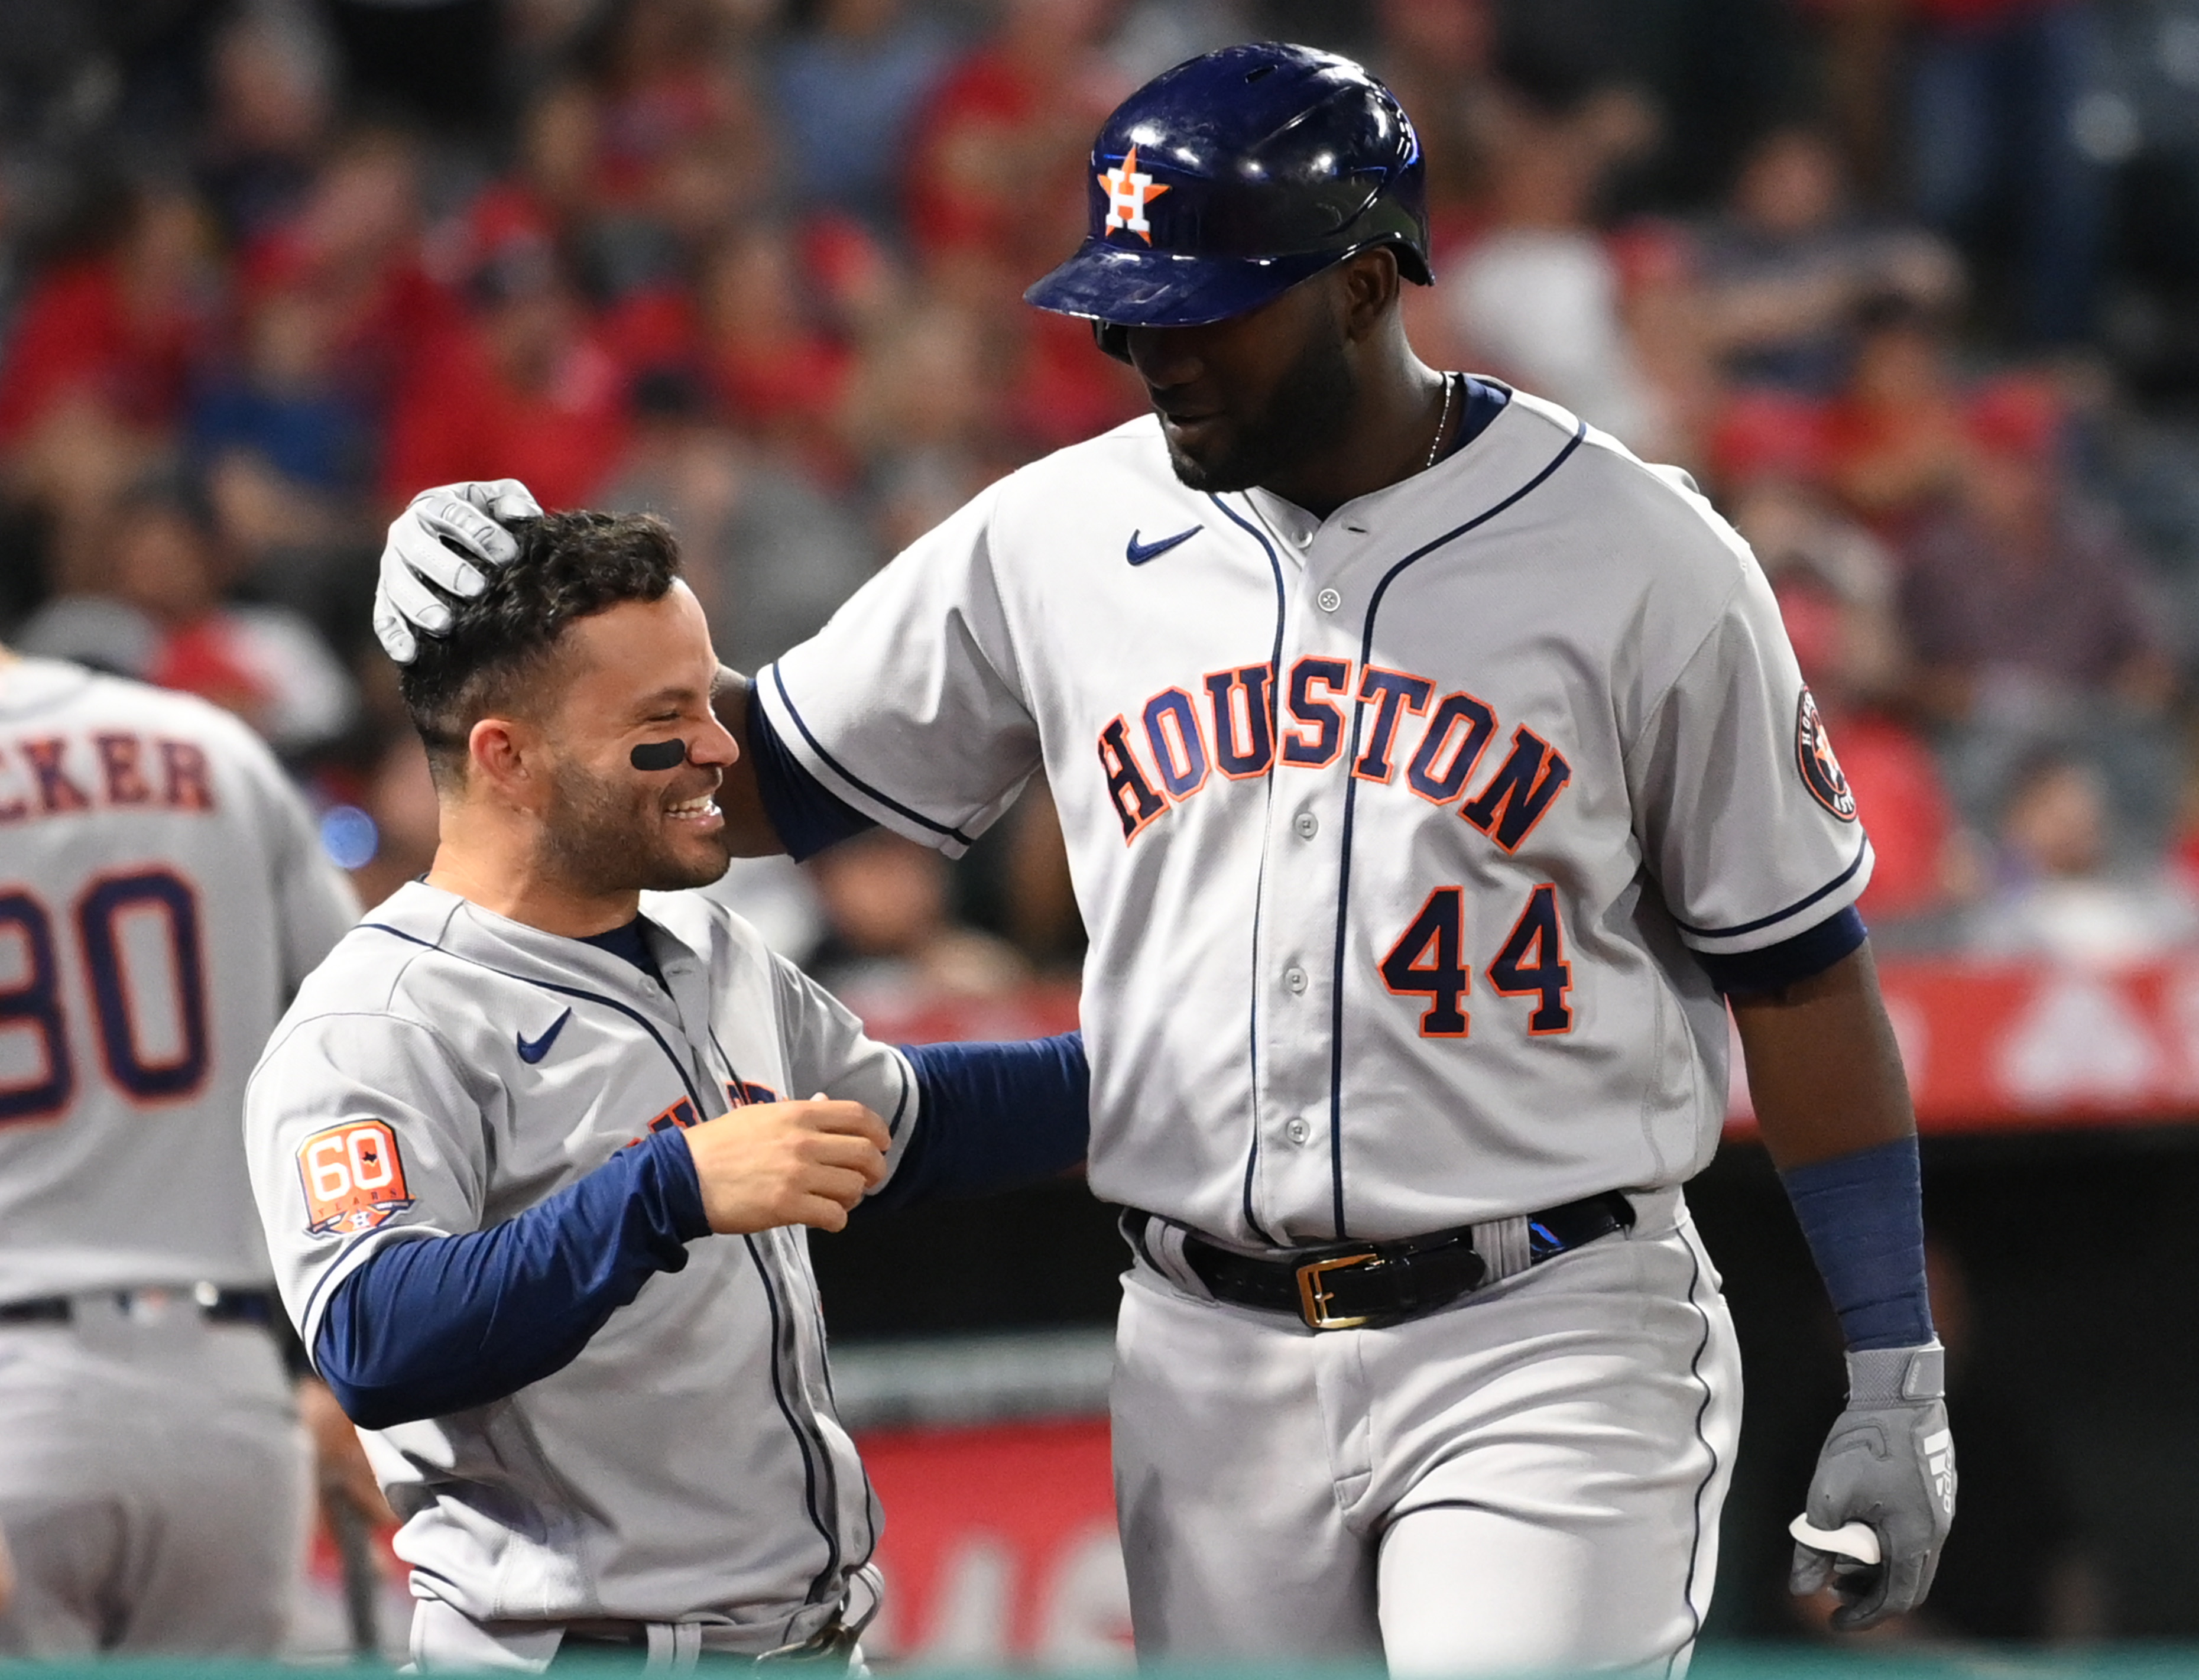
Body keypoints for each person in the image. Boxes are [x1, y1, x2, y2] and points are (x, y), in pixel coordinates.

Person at [374, 45, 1955, 1672]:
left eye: (1205, 307)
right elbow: (756, 775)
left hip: (1542, 1326)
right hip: (1206, 1349)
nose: (1151, 347)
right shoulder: (1056, 531)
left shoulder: (1640, 553)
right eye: (1129, 305)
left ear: (1362, 278)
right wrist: (506, 633)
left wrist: (1893, 1364)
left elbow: (1800, 974)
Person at [251, 509, 1088, 1670]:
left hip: (807, 1639)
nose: (721, 747)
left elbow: (908, 1122)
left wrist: (1172, 1061)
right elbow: (376, 1333)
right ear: (509, 757)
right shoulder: (379, 1021)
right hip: (572, 1649)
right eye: (665, 718)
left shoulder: (706, 940)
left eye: (707, 698)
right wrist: (665, 1188)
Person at [0, 638, 364, 1656]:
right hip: (232, 1393)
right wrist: (353, 1366)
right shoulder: (214, 750)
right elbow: (368, 1056)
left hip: (17, 1386)